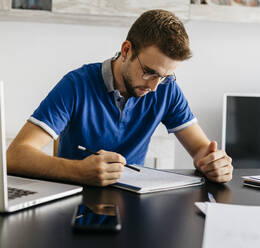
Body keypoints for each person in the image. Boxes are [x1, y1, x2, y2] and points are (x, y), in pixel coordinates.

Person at [7, 9, 233, 186]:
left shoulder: (167, 88)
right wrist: (78, 171)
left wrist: (214, 163)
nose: (155, 87)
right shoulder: (76, 85)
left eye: (165, 76)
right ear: (126, 50)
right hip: (75, 203)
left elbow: (202, 150)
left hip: (135, 207)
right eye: (149, 72)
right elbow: (15, 156)